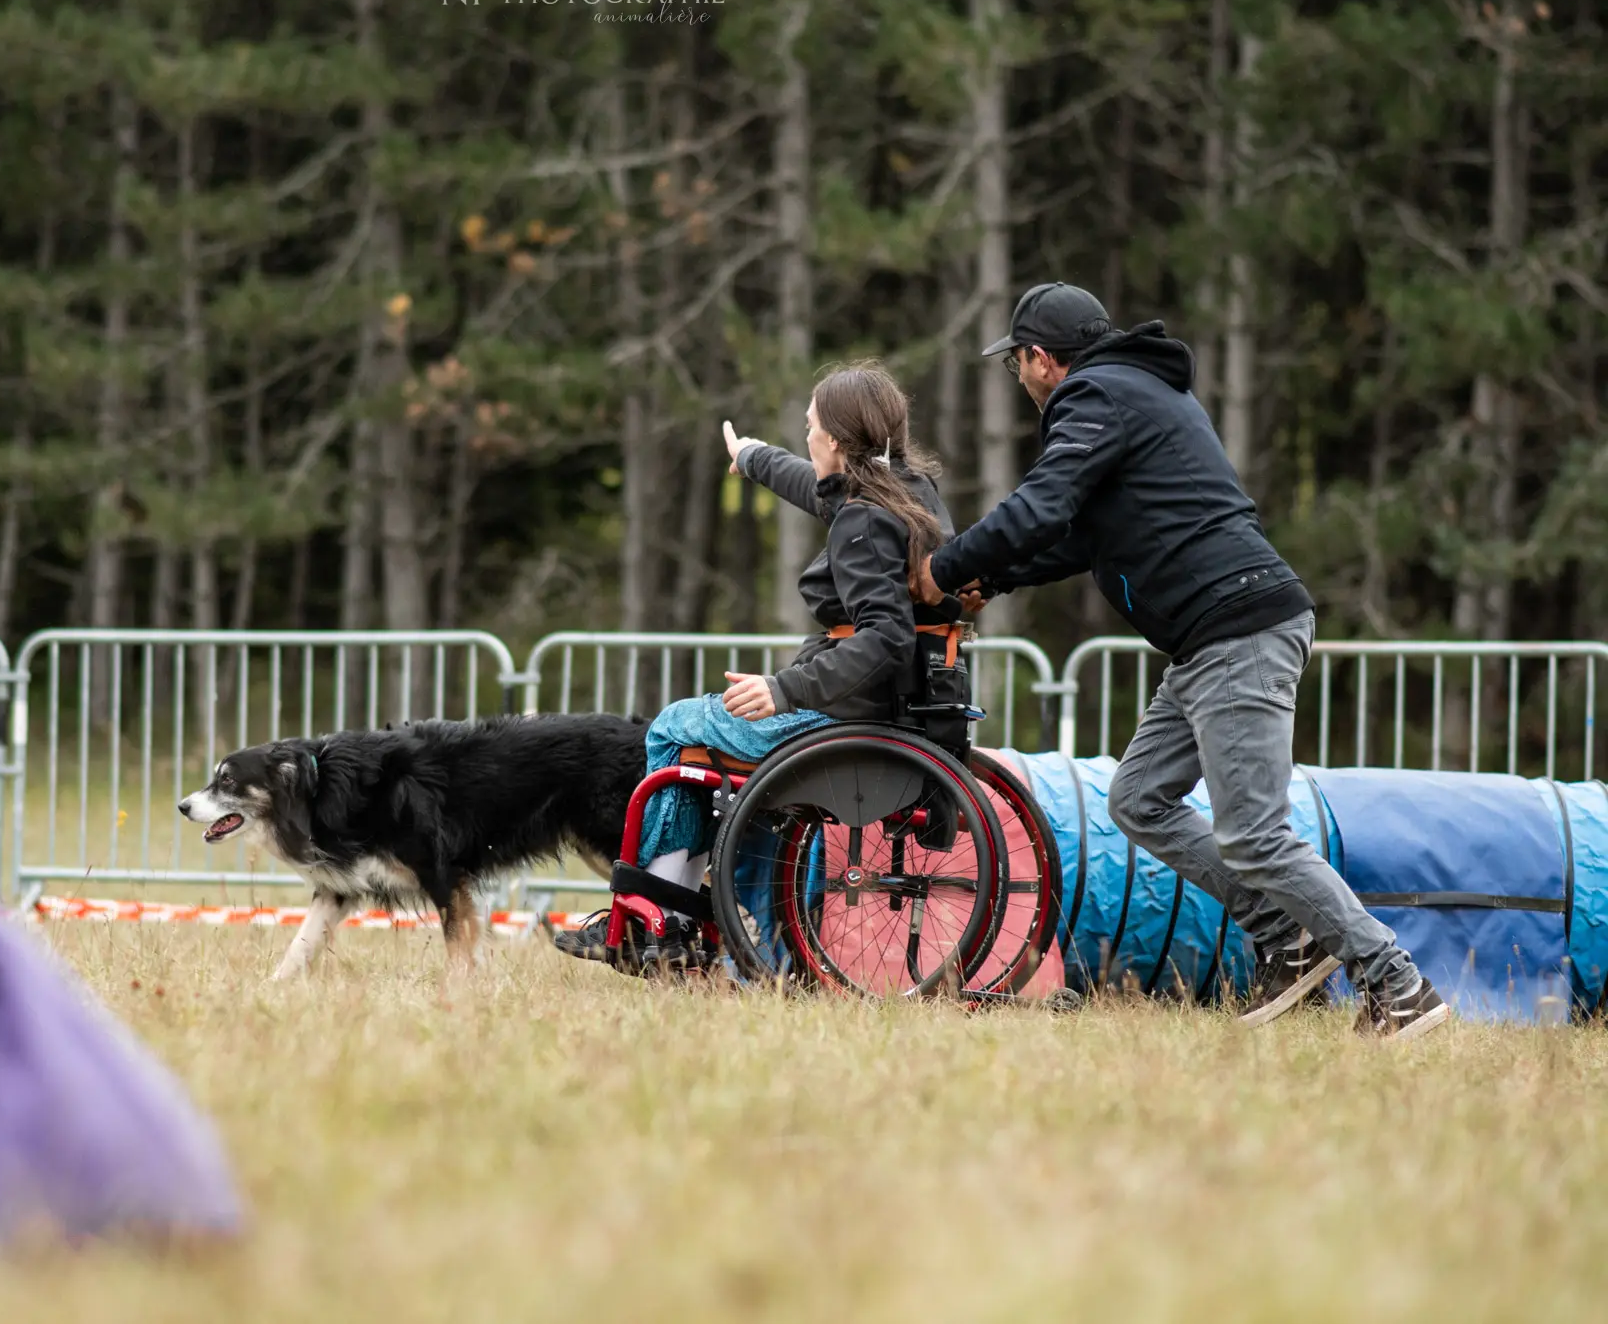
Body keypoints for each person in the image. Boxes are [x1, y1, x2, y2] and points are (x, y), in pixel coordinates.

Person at [918, 281, 1448, 1040]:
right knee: (1138, 799)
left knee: (1255, 832)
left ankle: (1397, 982)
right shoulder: (1130, 393)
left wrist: (943, 566)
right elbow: (1076, 535)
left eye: (1018, 364)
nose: (1022, 379)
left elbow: (1039, 505)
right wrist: (991, 576)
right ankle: (1288, 936)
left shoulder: (1094, 397)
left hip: (1238, 630)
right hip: (1209, 639)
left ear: (1039, 359)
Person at [554, 359, 966, 971]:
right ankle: (705, 923)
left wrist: (783, 689)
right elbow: (815, 487)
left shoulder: (861, 520)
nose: (805, 436)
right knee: (701, 753)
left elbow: (884, 638)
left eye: (809, 427)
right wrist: (751, 456)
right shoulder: (904, 493)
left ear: (833, 440)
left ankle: (660, 916)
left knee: (674, 728)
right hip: (907, 712)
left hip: (843, 720)